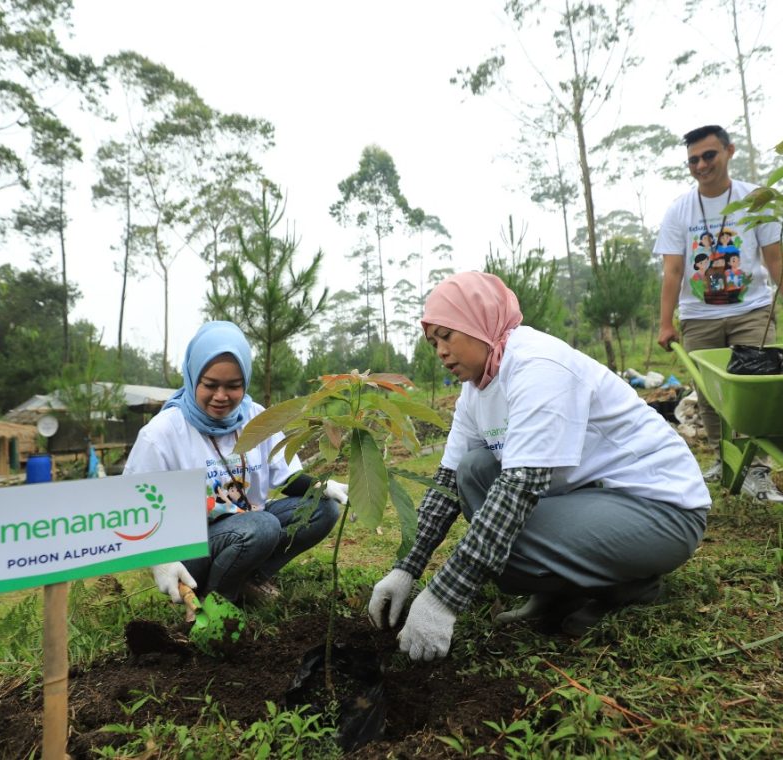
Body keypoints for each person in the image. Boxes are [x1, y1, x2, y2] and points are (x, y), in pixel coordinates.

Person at [367, 272, 711, 662]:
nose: (441, 352)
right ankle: (561, 593)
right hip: (592, 500)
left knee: (499, 542)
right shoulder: (475, 389)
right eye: (434, 343)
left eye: (447, 336)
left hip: (661, 510)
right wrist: (406, 569)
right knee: (473, 470)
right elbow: (446, 486)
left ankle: (629, 586)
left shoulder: (538, 365)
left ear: (478, 321)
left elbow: (520, 489)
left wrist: (444, 597)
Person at [124, 321, 348, 606]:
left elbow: (286, 478)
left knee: (323, 509)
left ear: (246, 381)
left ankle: (248, 580)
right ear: (193, 377)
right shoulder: (162, 434)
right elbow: (133, 508)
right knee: (263, 526)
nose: (221, 396)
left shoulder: (256, 418)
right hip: (193, 550)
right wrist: (160, 559)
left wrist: (322, 487)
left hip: (250, 524)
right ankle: (217, 599)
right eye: (210, 385)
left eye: (233, 386)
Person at [654, 124, 783, 502]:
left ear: (729, 151)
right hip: (699, 316)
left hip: (751, 310)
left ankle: (756, 469)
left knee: (754, 388)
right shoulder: (680, 210)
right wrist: (665, 323)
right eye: (693, 160)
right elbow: (673, 271)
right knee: (709, 392)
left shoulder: (755, 201)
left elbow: (776, 259)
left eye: (709, 155)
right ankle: (723, 458)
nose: (701, 165)